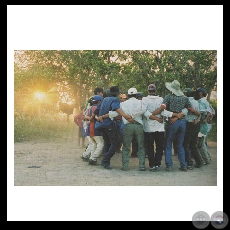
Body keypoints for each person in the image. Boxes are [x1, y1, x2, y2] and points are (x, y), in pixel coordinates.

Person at [151, 80, 194, 172]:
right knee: (180, 144)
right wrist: (180, 115)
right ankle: (183, 165)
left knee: (168, 144)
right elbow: (190, 109)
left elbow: (162, 110)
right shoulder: (185, 98)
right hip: (182, 123)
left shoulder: (168, 97)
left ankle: (169, 165)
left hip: (171, 123)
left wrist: (173, 115)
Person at [94, 86, 134, 170]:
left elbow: (96, 112)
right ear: (117, 93)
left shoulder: (103, 100)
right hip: (109, 124)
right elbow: (117, 109)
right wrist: (126, 116)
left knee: (107, 143)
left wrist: (98, 118)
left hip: (101, 125)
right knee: (116, 142)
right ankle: (105, 160)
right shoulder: (115, 100)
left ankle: (106, 162)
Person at [119, 87, 146, 171]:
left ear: (128, 95)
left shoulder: (122, 104)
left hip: (128, 125)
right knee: (141, 146)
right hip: (139, 126)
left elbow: (118, 113)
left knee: (126, 146)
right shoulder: (141, 102)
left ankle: (125, 165)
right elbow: (145, 112)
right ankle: (142, 166)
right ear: (136, 94)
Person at [182, 88, 203, 169]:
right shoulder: (196, 102)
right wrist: (197, 120)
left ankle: (189, 163)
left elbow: (189, 111)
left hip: (189, 124)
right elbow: (200, 113)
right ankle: (199, 161)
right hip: (196, 124)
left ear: (185, 94)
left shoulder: (186, 101)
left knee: (185, 144)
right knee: (193, 144)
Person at [84, 95, 104, 165]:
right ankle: (93, 158)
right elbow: (97, 117)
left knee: (94, 144)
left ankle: (91, 159)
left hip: (90, 128)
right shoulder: (97, 107)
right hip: (95, 128)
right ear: (99, 101)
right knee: (101, 144)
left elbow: (85, 116)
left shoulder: (89, 108)